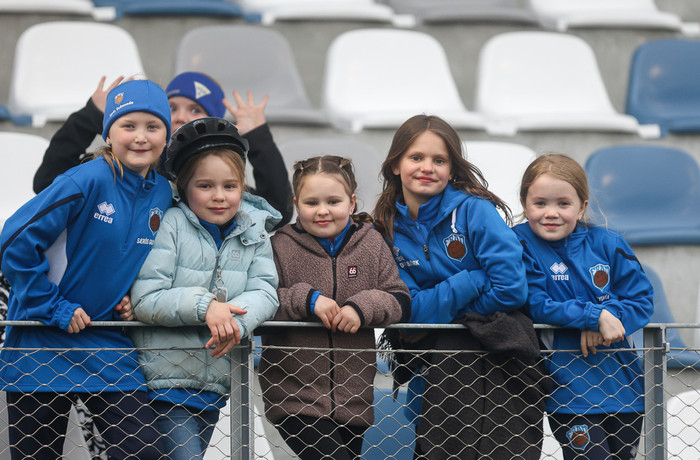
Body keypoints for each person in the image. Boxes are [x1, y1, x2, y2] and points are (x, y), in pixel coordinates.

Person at [0, 79, 172, 459]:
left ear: (166, 135)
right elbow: (13, 241)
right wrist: (52, 306)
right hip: (41, 342)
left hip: (106, 343)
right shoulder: (87, 178)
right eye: (128, 125)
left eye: (152, 126)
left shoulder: (163, 193)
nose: (140, 137)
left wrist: (135, 297)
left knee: (145, 452)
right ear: (108, 133)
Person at [372, 114, 547, 459]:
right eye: (416, 157)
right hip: (433, 372)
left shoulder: (476, 211)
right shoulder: (385, 229)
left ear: (452, 169)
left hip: (499, 364)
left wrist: (450, 312)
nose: (427, 168)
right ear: (395, 165)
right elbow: (411, 310)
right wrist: (472, 279)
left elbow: (512, 290)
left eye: (439, 160)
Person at [129, 117, 281, 460]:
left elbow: (265, 291)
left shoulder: (254, 231)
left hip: (215, 384)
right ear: (184, 187)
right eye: (205, 185)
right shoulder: (169, 224)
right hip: (166, 382)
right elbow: (146, 299)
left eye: (230, 186)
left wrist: (234, 322)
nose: (219, 196)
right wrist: (206, 306)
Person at [259, 155, 410, 460]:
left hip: (354, 400)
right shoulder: (279, 246)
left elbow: (399, 299)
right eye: (311, 202)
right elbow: (262, 300)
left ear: (351, 202)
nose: (322, 211)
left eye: (333, 201)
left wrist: (361, 307)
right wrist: (307, 300)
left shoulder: (372, 244)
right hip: (294, 397)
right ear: (296, 204)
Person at [512, 153, 654, 459]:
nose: (551, 213)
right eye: (540, 203)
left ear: (582, 207)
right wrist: (592, 316)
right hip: (568, 391)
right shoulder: (518, 244)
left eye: (563, 204)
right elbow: (536, 304)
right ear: (524, 203)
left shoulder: (608, 243)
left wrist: (607, 316)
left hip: (624, 389)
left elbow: (642, 300)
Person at [33, 71, 293, 227]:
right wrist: (91, 117)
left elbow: (277, 212)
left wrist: (258, 138)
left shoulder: (219, 181)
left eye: (195, 110)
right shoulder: (123, 164)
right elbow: (47, 181)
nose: (180, 117)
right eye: (172, 107)